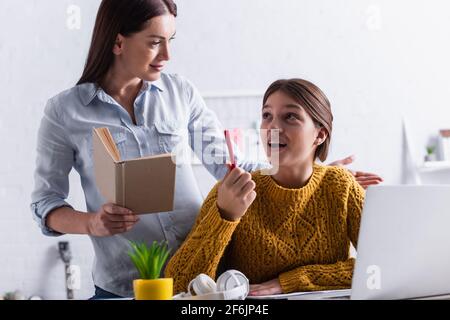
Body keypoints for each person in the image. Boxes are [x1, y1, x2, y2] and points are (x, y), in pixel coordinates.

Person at [31, 0, 381, 299]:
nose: (167, 55)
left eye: (170, 40)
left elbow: (230, 166)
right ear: (118, 42)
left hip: (198, 279)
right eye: (155, 42)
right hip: (123, 283)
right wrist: (92, 222)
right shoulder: (65, 112)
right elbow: (45, 205)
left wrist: (310, 174)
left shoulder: (180, 93)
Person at [166, 79, 366, 296]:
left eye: (290, 116)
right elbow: (178, 284)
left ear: (320, 134)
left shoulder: (341, 186)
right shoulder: (231, 192)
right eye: (266, 116)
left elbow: (382, 266)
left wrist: (290, 282)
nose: (273, 127)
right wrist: (224, 216)